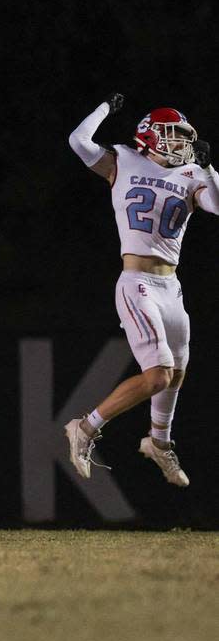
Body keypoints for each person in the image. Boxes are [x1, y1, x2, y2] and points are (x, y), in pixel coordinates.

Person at [64, 93, 219, 485]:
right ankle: (84, 427)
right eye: (173, 135)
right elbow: (78, 141)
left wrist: (208, 167)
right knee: (157, 377)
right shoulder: (123, 161)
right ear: (150, 136)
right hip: (137, 283)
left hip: (171, 286)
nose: (181, 144)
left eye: (184, 138)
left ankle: (158, 442)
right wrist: (103, 108)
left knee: (177, 373)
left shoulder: (191, 175)